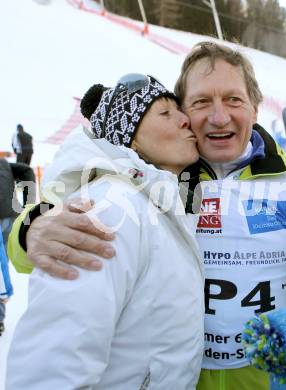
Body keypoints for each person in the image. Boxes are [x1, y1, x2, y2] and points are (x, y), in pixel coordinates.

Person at [8, 42, 286, 390]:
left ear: (255, 108)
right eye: (202, 102)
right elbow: (35, 255)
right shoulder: (157, 181)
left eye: (234, 99)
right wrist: (32, 229)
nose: (219, 117)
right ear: (184, 112)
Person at [6, 75, 204, 389]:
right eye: (166, 113)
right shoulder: (109, 208)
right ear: (130, 138)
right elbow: (53, 366)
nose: (185, 121)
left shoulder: (159, 203)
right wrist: (28, 228)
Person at [0, 158, 35, 334]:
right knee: (1, 263)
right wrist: (29, 202)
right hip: (11, 217)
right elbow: (27, 170)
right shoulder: (4, 163)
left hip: (4, 218)